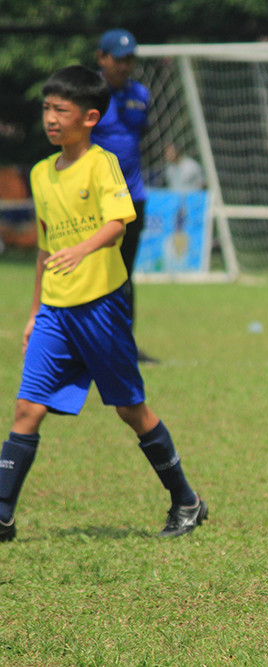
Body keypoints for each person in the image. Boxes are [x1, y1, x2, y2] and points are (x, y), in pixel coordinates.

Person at [0, 65, 207, 543]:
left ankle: (186, 500)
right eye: (47, 108)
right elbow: (45, 250)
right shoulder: (40, 174)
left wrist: (82, 249)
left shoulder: (102, 163)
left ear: (90, 117)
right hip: (55, 312)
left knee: (131, 410)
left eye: (61, 110)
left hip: (100, 309)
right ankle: (3, 516)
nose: (51, 118)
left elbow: (119, 221)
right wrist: (33, 313)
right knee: (27, 409)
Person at [92, 28, 157, 362]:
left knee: (125, 275)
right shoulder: (87, 94)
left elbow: (139, 137)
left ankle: (124, 346)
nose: (125, 65)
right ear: (102, 58)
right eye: (118, 59)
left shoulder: (141, 94)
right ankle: (86, 344)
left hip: (133, 197)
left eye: (129, 59)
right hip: (95, 200)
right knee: (91, 272)